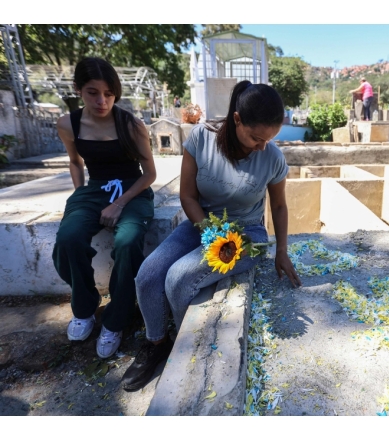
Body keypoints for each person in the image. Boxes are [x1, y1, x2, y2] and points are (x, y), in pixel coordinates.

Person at [121, 80, 302, 391]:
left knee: (178, 278)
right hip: (200, 223)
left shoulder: (271, 156)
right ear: (236, 120)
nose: (262, 146)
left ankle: (183, 347)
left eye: (269, 139)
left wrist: (281, 250)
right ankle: (157, 342)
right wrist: (210, 229)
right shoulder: (202, 139)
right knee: (148, 275)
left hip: (247, 235)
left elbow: (280, 205)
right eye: (256, 138)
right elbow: (188, 197)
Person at [53, 58, 157, 359]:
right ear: (78, 90)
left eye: (109, 93)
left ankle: (115, 320)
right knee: (69, 238)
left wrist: (119, 203)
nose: (102, 101)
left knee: (127, 242)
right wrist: (80, 198)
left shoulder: (131, 125)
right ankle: (84, 308)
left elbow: (149, 174)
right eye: (93, 92)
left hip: (133, 191)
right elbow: (75, 162)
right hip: (95, 188)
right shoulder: (68, 124)